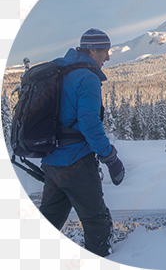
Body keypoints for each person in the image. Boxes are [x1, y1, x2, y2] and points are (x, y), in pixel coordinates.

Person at [39, 28, 125, 257]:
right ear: (92, 49)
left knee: (48, 219)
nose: (107, 57)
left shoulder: (61, 70)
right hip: (76, 161)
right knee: (97, 221)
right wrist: (110, 157)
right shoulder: (86, 76)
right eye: (105, 51)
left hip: (51, 162)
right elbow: (89, 123)